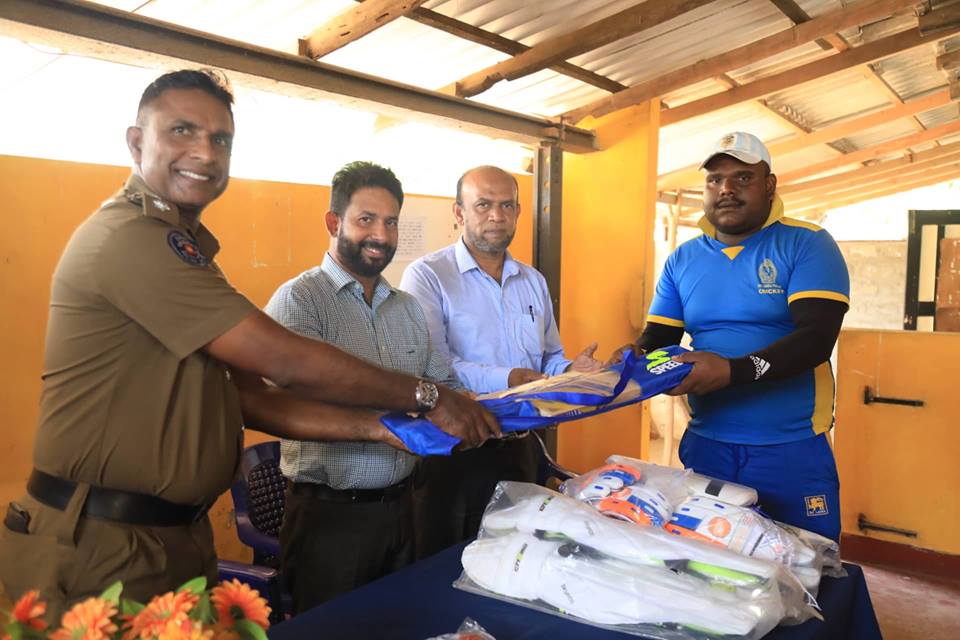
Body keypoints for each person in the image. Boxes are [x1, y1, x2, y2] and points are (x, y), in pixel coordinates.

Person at [0, 69, 498, 620]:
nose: (205, 152)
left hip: (169, 536)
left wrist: (383, 428)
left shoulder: (189, 254)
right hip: (102, 538)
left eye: (221, 139)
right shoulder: (130, 238)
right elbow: (286, 362)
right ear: (137, 143)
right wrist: (428, 396)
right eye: (182, 130)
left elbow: (254, 399)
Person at [612, 132, 849, 541]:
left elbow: (816, 337)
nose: (725, 189)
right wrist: (631, 358)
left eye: (742, 178)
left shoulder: (807, 243)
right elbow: (660, 336)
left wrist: (733, 371)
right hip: (708, 444)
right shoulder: (684, 258)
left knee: (809, 559)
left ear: (769, 185)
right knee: (708, 559)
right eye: (715, 179)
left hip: (790, 447)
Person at [264, 161, 464, 611]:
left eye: (391, 222)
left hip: (404, 508)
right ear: (333, 222)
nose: (381, 235)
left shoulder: (407, 309)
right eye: (366, 219)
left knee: (401, 625)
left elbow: (443, 387)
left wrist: (512, 402)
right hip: (331, 521)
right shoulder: (300, 300)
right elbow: (297, 399)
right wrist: (402, 408)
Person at [400, 165, 602, 558]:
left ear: (518, 212)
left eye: (507, 205)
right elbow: (433, 365)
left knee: (518, 558)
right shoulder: (428, 276)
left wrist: (571, 372)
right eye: (483, 205)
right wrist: (510, 377)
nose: (496, 215)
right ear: (459, 212)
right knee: (449, 564)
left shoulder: (532, 281)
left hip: (522, 447)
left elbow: (549, 357)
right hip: (455, 450)